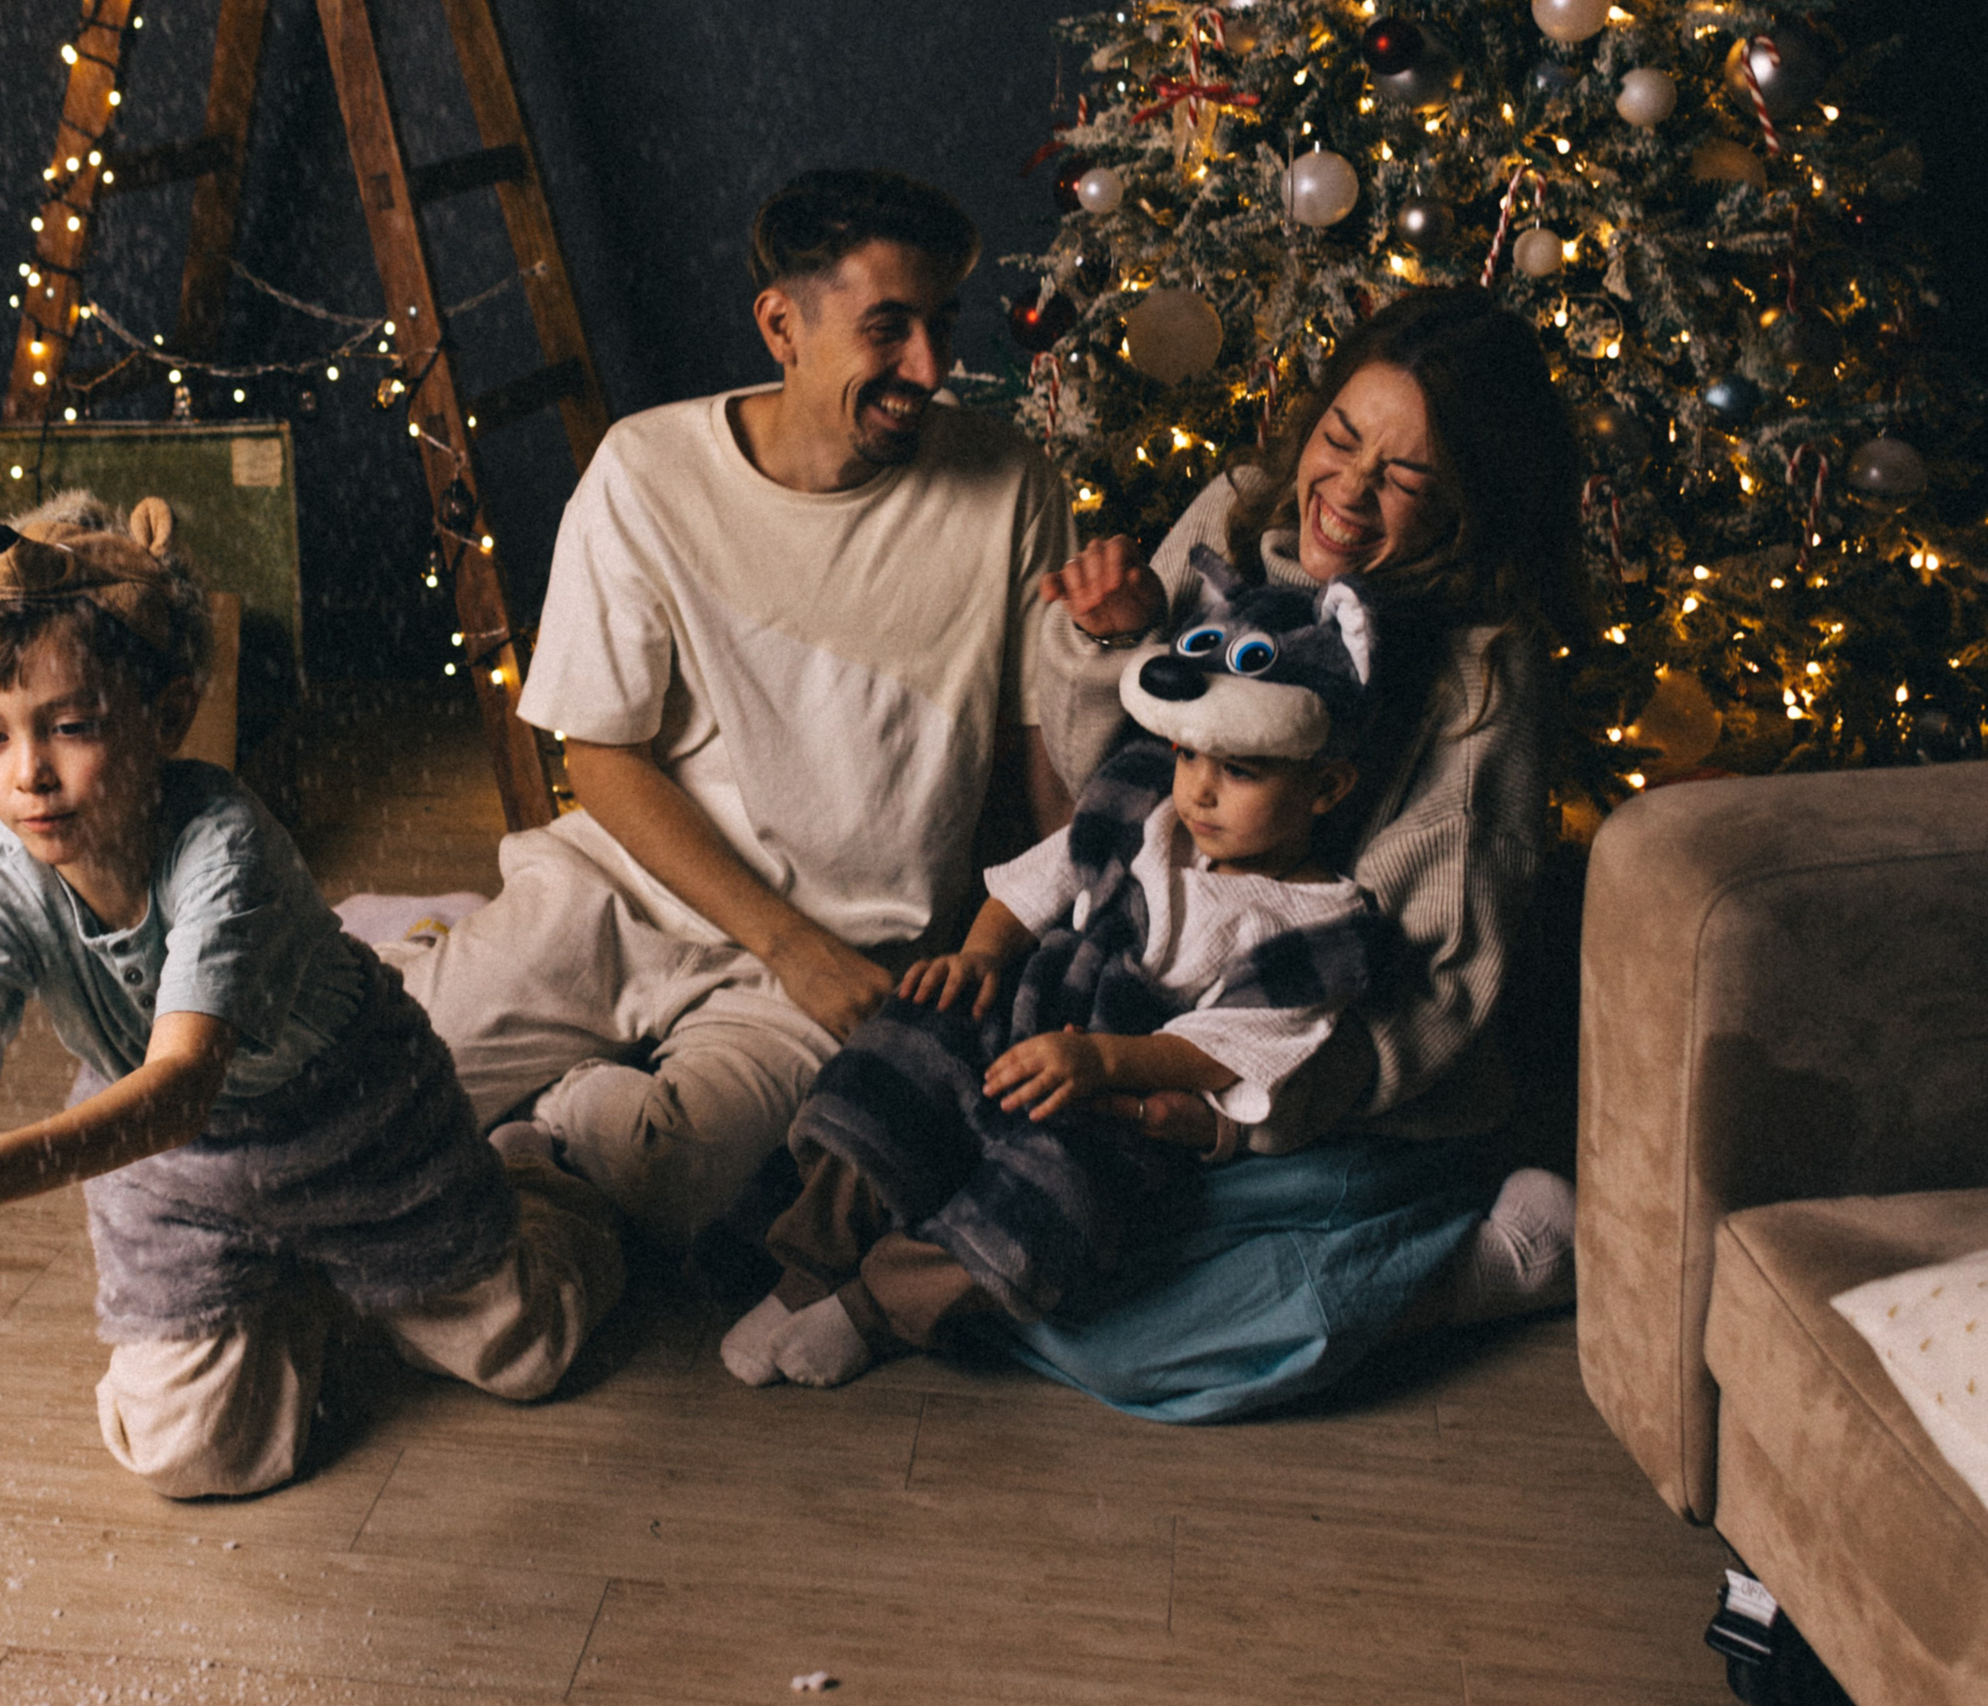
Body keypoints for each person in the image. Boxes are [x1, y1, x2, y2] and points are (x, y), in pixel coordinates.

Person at [0, 491, 622, 1498]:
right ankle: (280, 1290)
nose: (28, 777)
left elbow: (183, 1078)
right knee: (193, 1454)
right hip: (168, 1172)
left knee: (523, 1350)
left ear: (168, 713)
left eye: (71, 725)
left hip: (353, 1116)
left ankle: (542, 1167)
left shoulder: (223, 844)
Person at [382, 170, 1073, 1252]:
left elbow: (1043, 769)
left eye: (943, 325)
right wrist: (786, 939)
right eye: (887, 329)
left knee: (672, 1173)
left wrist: (1024, 950)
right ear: (780, 324)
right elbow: (601, 758)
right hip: (623, 893)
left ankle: (539, 1123)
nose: (931, 370)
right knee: (370, 1102)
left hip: (843, 963)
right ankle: (438, 983)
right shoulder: (646, 470)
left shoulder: (1014, 484)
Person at [994, 286, 1585, 1421]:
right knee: (983, 1198)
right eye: (1339, 440)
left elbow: (1434, 999)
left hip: (1328, 1090)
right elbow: (1111, 788)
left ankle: (1490, 1262)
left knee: (1107, 1327)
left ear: (1471, 506)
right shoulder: (1226, 525)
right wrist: (1114, 643)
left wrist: (1229, 1111)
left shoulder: (1481, 682)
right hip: (1147, 1022)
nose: (1349, 494)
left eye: (1407, 479)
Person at [723, 562, 1390, 1388]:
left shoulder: (1317, 920)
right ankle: (809, 1264)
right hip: (1032, 998)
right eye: (1187, 756)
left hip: (1119, 1079)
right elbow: (1044, 880)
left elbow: (1227, 1045)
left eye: (1240, 771)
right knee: (905, 1047)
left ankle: (877, 1306)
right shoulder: (1143, 811)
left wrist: (1106, 1063)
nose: (1200, 791)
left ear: (1324, 785)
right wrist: (979, 956)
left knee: (1058, 1195)